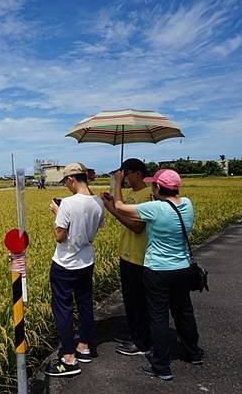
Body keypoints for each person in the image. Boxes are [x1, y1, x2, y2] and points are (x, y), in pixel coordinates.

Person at [113, 169, 203, 381]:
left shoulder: (154, 208)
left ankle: (161, 366)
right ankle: (193, 353)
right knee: (184, 311)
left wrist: (117, 183)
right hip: (182, 269)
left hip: (157, 271)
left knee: (159, 317)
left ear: (158, 187)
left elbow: (119, 207)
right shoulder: (187, 204)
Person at [46, 162, 105, 377]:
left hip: (65, 263)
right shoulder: (98, 202)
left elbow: (60, 237)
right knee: (84, 302)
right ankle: (85, 347)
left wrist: (57, 212)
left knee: (63, 307)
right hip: (86, 261)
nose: (66, 187)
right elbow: (96, 228)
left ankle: (69, 357)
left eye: (66, 182)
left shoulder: (68, 204)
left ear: (72, 180)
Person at [101, 159, 152, 356]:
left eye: (127, 174)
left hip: (139, 257)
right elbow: (123, 213)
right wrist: (112, 205)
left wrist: (114, 210)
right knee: (130, 300)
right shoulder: (133, 194)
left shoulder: (147, 196)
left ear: (138, 173)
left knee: (139, 301)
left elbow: (137, 226)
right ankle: (135, 335)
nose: (125, 178)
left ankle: (142, 343)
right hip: (128, 255)